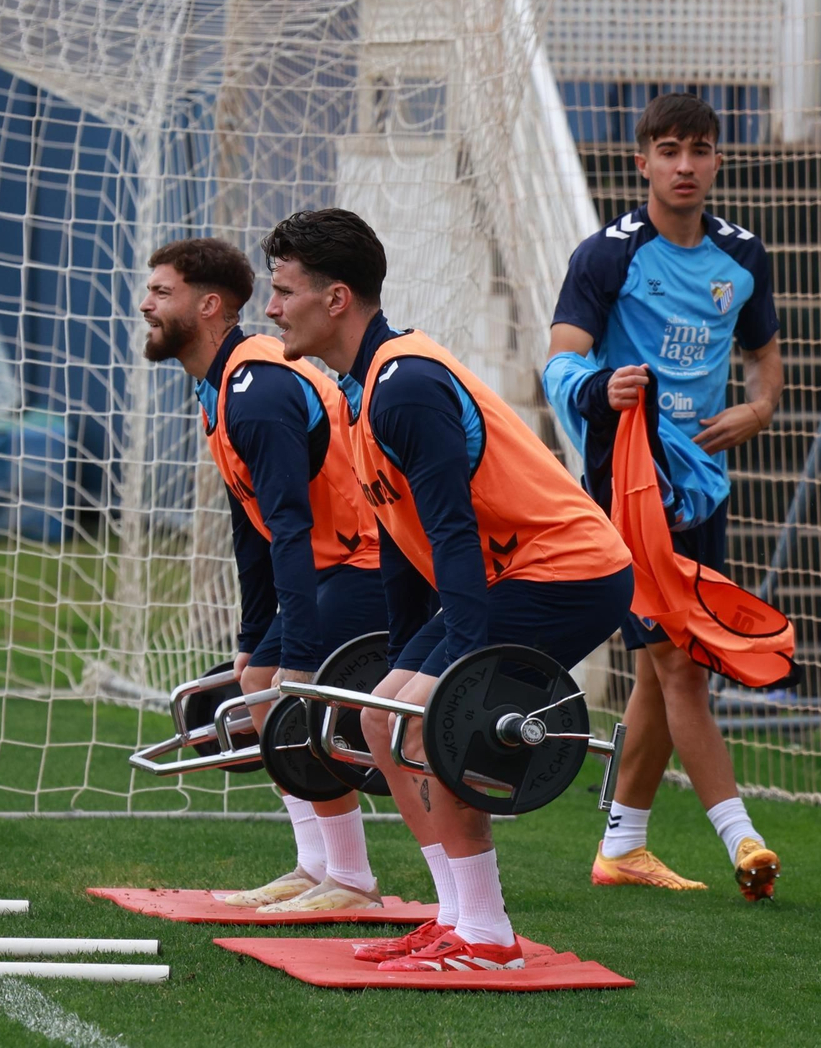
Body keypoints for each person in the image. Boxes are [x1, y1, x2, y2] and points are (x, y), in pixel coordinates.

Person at [261, 209, 634, 971]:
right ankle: (459, 917)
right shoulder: (363, 391)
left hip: (568, 570)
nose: (270, 309)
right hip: (509, 574)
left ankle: (490, 938)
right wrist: (403, 657)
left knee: (430, 722)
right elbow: (405, 545)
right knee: (377, 722)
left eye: (283, 290)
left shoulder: (405, 384)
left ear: (336, 299)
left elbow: (453, 533)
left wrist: (454, 674)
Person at [543, 92, 785, 900]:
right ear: (640, 161)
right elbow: (558, 362)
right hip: (627, 490)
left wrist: (756, 409)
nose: (686, 165)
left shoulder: (743, 256)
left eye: (701, 149)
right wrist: (599, 385)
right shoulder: (606, 256)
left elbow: (765, 362)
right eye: (670, 150)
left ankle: (622, 846)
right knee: (680, 666)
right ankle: (742, 838)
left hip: (702, 491)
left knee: (661, 674)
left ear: (718, 160)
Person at [140, 237, 389, 912]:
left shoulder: (257, 387)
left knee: (285, 693)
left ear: (209, 305)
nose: (146, 305)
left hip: (374, 563)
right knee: (256, 679)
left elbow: (288, 528)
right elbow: (251, 535)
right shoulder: (221, 388)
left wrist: (300, 655)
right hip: (332, 563)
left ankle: (354, 882)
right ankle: (320, 867)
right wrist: (255, 637)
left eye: (162, 293)